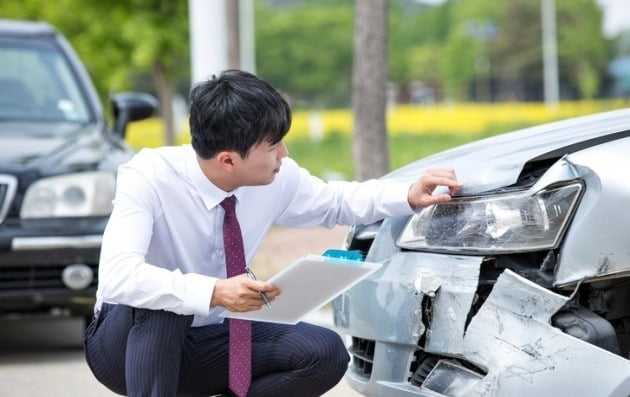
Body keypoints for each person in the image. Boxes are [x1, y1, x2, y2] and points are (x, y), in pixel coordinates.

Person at [83, 69, 462, 397]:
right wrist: (213, 291)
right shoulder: (148, 175)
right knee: (168, 302)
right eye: (272, 144)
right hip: (126, 347)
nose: (283, 153)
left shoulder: (276, 177)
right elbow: (119, 278)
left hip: (209, 340)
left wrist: (408, 193)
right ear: (228, 159)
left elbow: (336, 201)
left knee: (323, 352)